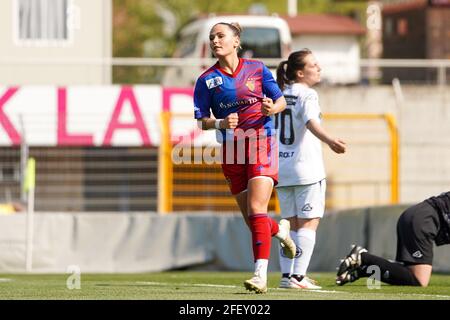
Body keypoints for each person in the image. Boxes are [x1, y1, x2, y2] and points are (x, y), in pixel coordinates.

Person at [193, 22, 296, 294]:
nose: (215, 40)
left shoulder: (258, 69)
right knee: (253, 218)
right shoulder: (206, 80)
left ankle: (260, 275)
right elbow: (201, 122)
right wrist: (220, 124)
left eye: (221, 36)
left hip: (262, 141)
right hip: (231, 149)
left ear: (236, 41)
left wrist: (272, 106)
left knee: (255, 209)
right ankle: (279, 230)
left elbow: (281, 100)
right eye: (212, 37)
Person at [275, 49, 347, 290]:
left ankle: (287, 276)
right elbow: (310, 122)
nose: (319, 68)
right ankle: (297, 277)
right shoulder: (308, 94)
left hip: (281, 170)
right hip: (306, 170)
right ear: (300, 72)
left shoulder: (281, 93)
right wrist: (330, 140)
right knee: (307, 225)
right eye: (314, 65)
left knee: (289, 225)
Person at [336, 191, 450, 287]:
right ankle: (363, 257)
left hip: (417, 216)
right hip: (423, 220)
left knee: (409, 273)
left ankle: (367, 268)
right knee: (419, 279)